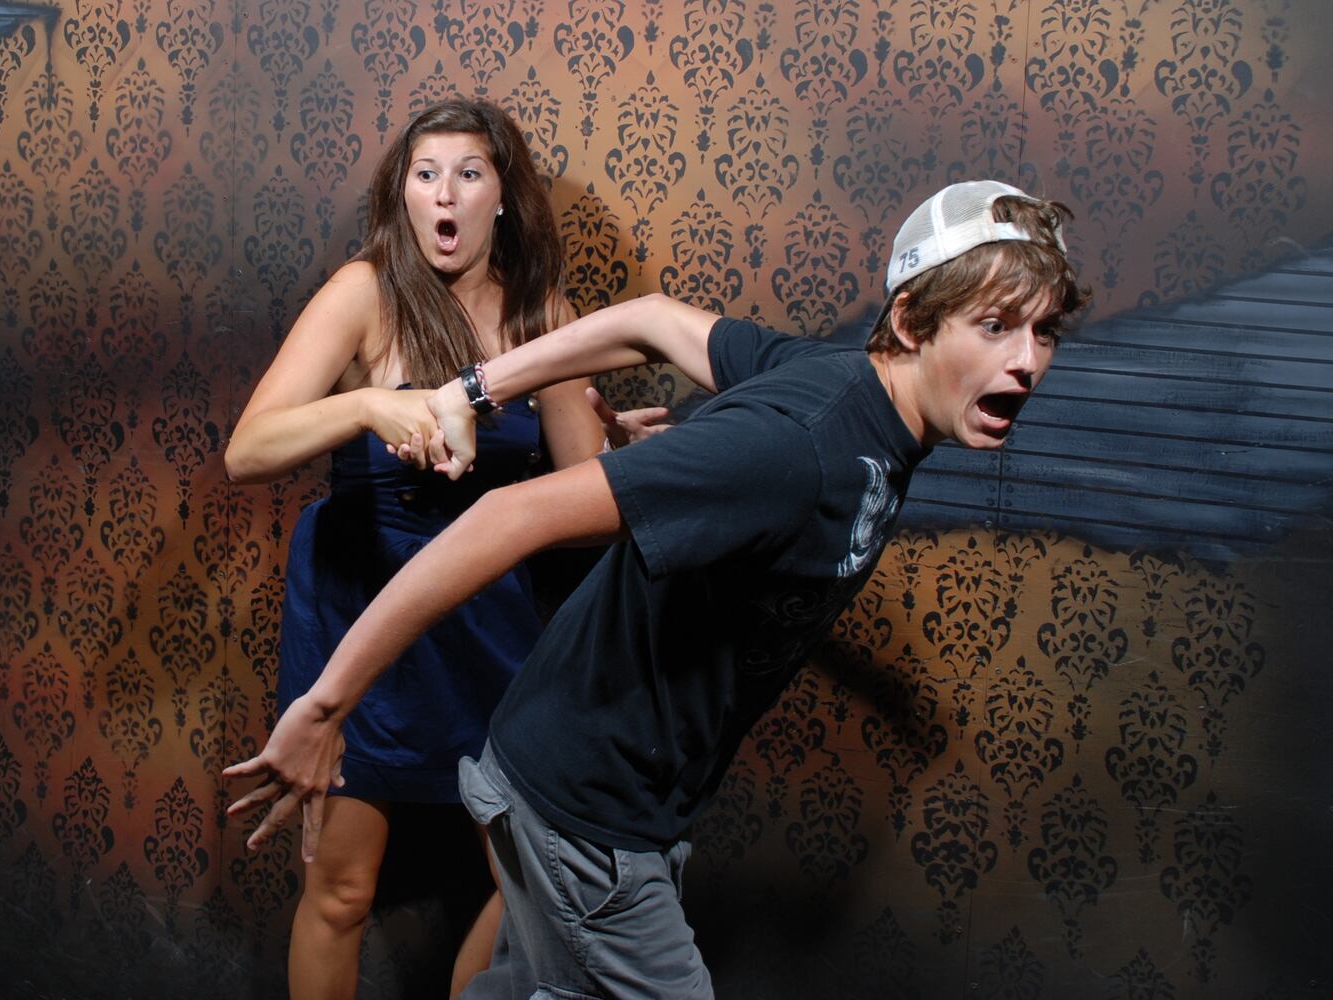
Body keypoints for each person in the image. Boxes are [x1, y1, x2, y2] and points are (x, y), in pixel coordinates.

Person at [226, 180, 1090, 998]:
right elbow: (506, 517)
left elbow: (650, 321)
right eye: (994, 326)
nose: (1026, 362)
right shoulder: (796, 445)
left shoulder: (844, 389)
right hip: (584, 812)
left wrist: (475, 388)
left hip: (610, 795)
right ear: (909, 322)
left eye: (1043, 331)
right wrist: (328, 705)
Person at [223, 98, 665, 999]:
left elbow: (585, 496)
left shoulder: (540, 311)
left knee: (529, 890)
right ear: (404, 194)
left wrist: (622, 453)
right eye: (426, 175)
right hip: (363, 611)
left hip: (487, 613)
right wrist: (365, 405)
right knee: (342, 890)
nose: (445, 194)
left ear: (501, 195)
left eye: (468, 173)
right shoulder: (363, 292)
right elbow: (247, 452)